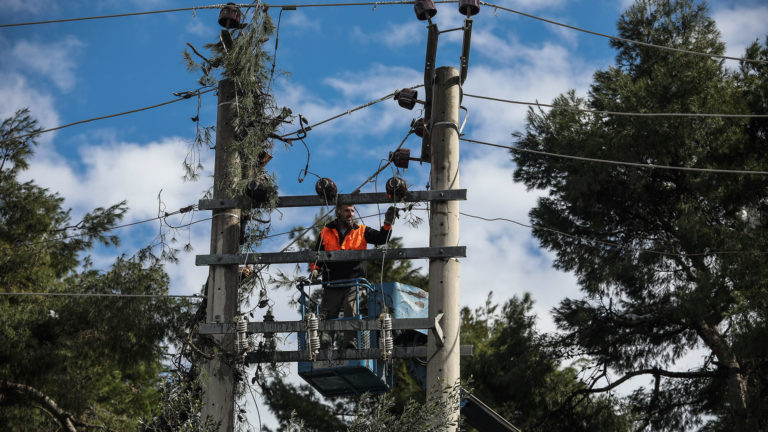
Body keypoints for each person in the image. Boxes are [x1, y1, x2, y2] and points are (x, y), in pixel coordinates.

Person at [309, 203, 397, 349]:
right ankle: (325, 341)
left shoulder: (361, 230)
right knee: (328, 312)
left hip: (354, 280)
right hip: (333, 281)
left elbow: (382, 238)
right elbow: (317, 255)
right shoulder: (326, 231)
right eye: (346, 211)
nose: (350, 214)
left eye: (352, 211)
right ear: (338, 213)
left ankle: (351, 341)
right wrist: (315, 270)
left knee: (351, 308)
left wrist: (388, 222)